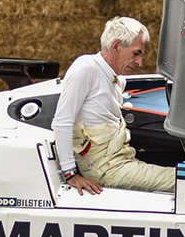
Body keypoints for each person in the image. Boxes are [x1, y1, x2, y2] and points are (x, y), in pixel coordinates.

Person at [53, 17, 173, 195]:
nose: (140, 62)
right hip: (105, 168)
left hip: (120, 159)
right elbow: (62, 122)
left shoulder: (117, 79)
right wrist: (70, 174)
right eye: (136, 53)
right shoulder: (86, 68)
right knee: (183, 180)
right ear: (116, 45)